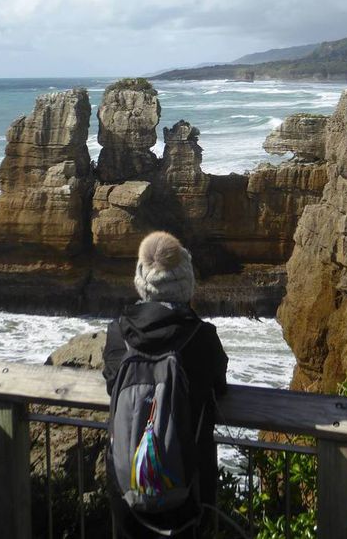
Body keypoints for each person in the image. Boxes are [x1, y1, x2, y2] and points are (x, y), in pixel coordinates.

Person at [103, 231, 228, 539]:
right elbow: (220, 387)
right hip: (187, 492)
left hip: (127, 492)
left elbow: (111, 383)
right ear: (186, 280)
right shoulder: (201, 337)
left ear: (141, 279)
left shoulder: (117, 334)